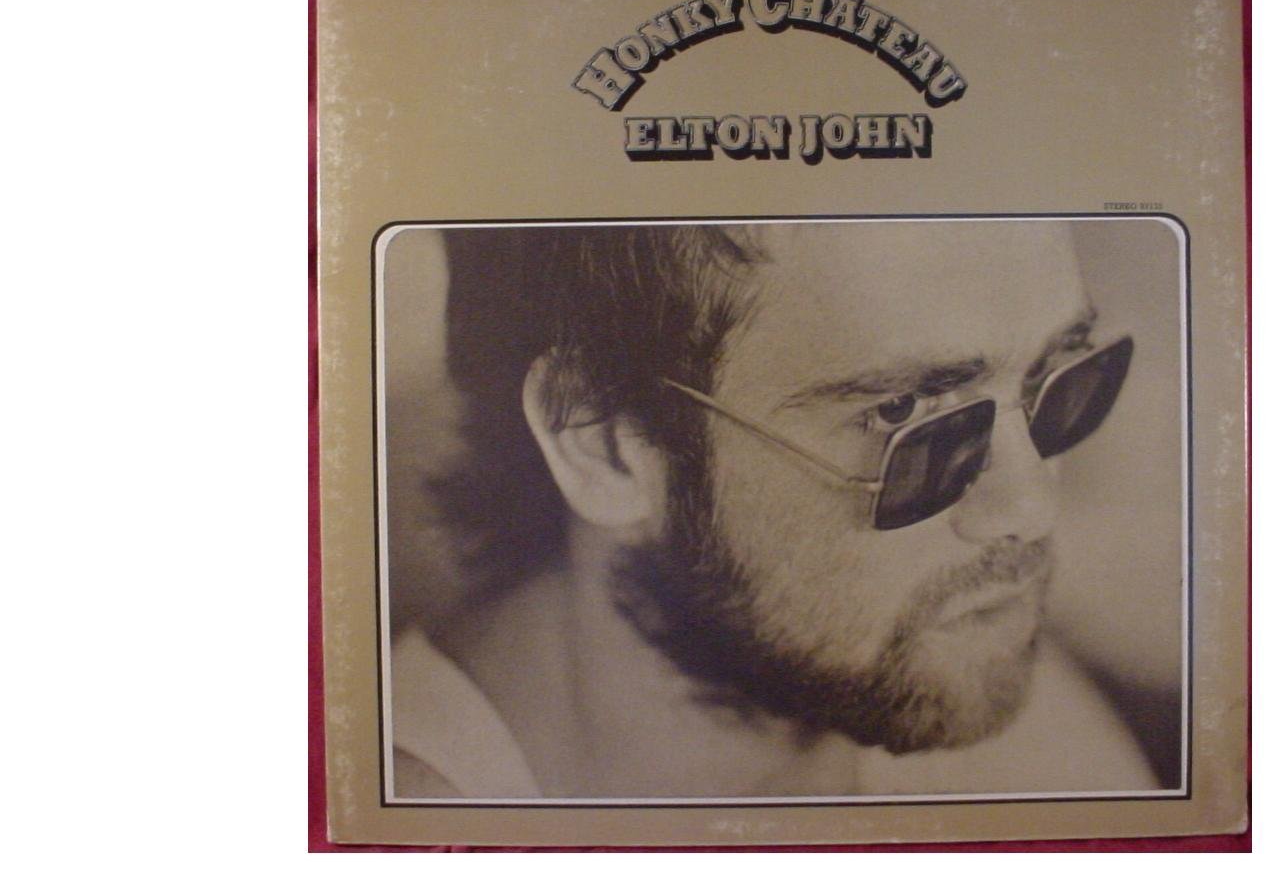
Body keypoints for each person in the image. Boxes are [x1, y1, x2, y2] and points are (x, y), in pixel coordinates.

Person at [387, 220, 1160, 799]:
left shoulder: (951, 665)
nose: (1029, 507)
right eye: (904, 415)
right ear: (606, 448)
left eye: (1055, 378)